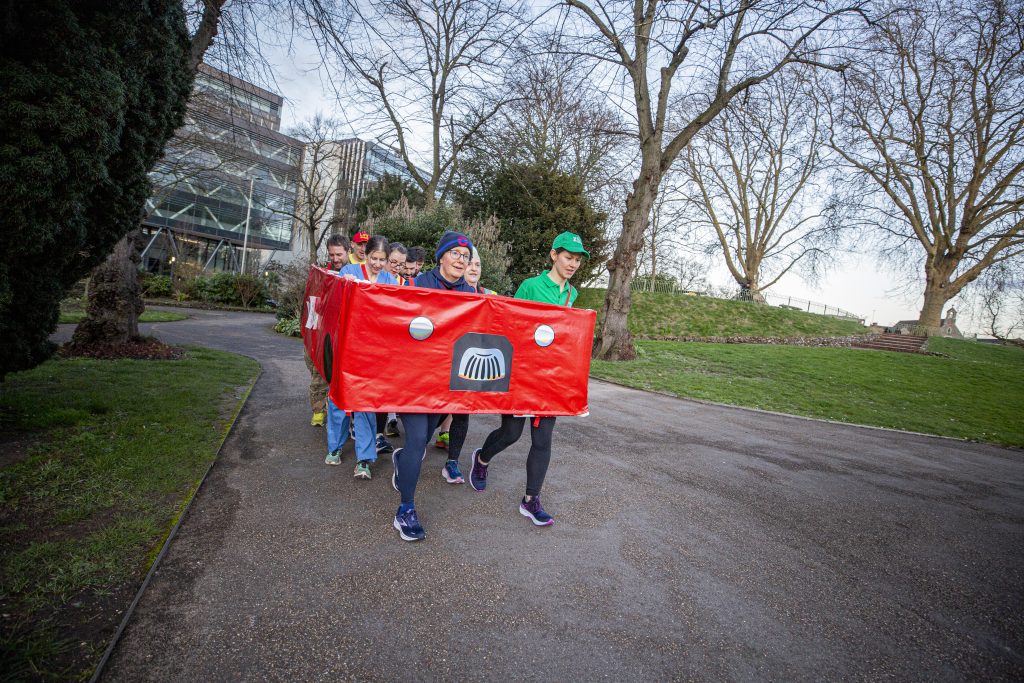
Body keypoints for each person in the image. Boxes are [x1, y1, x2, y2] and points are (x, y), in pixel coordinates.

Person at [468, 232, 589, 527]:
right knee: (511, 433)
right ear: (553, 255)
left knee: (543, 439)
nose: (572, 264)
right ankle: (481, 459)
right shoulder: (531, 286)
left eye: (577, 260)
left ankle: (531, 500)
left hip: (551, 380)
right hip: (523, 374)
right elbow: (511, 326)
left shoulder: (572, 295)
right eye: (568, 257)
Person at [391, 230, 476, 541]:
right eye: (455, 253)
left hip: (446, 384)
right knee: (416, 441)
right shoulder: (417, 285)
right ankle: (406, 510)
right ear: (441, 256)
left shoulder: (471, 295)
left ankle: (401, 462)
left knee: (424, 441)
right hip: (413, 381)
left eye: (465, 257)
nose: (460, 260)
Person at [328, 235, 399, 480]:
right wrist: (342, 284)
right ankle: (335, 446)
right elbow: (333, 300)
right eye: (374, 258)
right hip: (347, 346)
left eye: (383, 259)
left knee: (365, 403)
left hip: (373, 351)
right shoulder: (349, 270)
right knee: (339, 398)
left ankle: (364, 460)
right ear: (365, 254)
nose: (378, 264)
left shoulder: (391, 278)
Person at [437, 247, 496, 481]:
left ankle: (452, 462)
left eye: (478, 264)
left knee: (462, 415)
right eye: (470, 263)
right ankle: (415, 449)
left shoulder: (490, 295)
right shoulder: (450, 291)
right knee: (432, 412)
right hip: (443, 363)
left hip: (469, 366)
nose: (473, 268)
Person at [307, 234, 348, 427]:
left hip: (345, 335)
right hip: (326, 332)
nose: (335, 258)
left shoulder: (353, 273)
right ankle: (318, 410)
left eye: (339, 254)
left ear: (347, 252)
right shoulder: (325, 274)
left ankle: (342, 417)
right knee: (319, 373)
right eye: (332, 254)